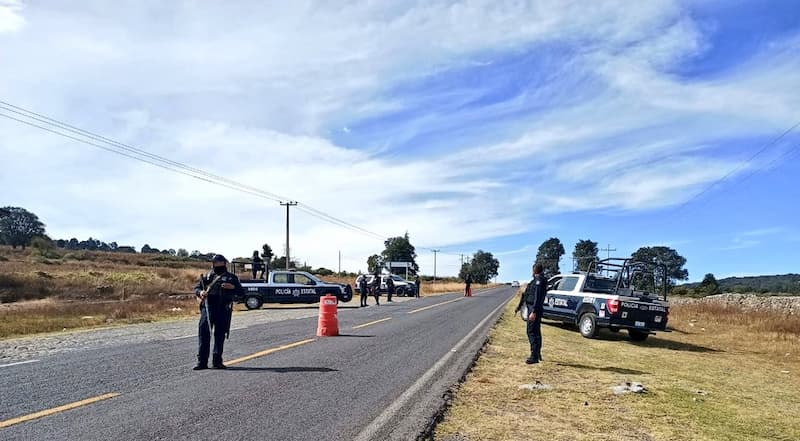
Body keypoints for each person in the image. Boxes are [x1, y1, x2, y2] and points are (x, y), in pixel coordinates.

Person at [193, 254, 244, 370]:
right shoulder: (207, 276)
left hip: (223, 309)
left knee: (219, 336)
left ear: (224, 263)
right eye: (215, 263)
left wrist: (233, 288)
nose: (216, 265)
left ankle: (217, 361)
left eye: (218, 262)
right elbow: (196, 288)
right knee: (204, 335)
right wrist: (200, 293)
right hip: (208, 308)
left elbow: (241, 293)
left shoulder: (231, 278)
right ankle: (202, 362)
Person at [515, 263, 547, 364]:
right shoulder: (536, 281)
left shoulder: (538, 281)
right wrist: (519, 307)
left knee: (531, 332)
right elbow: (526, 295)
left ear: (534, 271)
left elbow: (538, 297)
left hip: (534, 309)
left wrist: (533, 311)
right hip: (533, 308)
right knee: (536, 332)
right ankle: (537, 353)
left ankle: (534, 356)